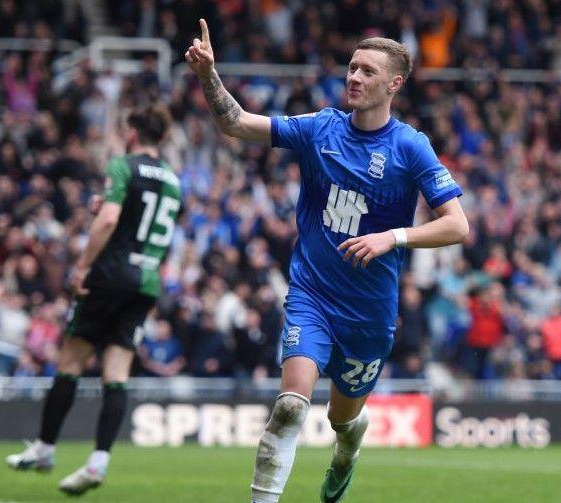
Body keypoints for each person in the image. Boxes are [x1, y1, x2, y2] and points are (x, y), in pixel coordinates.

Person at [186, 19, 468, 503]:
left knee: (342, 418)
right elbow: (235, 123)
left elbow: (457, 225)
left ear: (394, 84)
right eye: (352, 67)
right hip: (312, 294)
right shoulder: (320, 128)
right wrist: (210, 74)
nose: (354, 77)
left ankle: (347, 450)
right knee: (291, 406)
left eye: (368, 71)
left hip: (369, 311)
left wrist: (393, 238)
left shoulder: (410, 146)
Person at [4, 105, 182, 496]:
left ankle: (46, 449)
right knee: (115, 372)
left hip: (110, 276)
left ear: (133, 131)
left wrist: (82, 267)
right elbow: (155, 227)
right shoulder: (173, 179)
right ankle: (98, 461)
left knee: (70, 360)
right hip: (146, 280)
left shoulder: (124, 165)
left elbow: (107, 221)